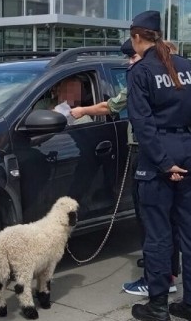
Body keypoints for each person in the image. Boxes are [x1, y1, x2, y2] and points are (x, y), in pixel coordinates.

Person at [125, 10, 191, 321]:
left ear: (138, 37)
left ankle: (158, 307)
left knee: (158, 236)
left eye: (131, 39)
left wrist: (164, 164)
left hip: (159, 161)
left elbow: (142, 123)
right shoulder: (189, 68)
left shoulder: (141, 72)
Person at [70, 40, 179, 296]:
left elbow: (111, 106)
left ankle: (160, 279)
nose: (130, 63)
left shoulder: (144, 80)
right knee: (167, 218)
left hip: (149, 153)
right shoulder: (175, 79)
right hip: (171, 152)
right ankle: (166, 268)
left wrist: (80, 110)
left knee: (151, 218)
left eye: (133, 57)